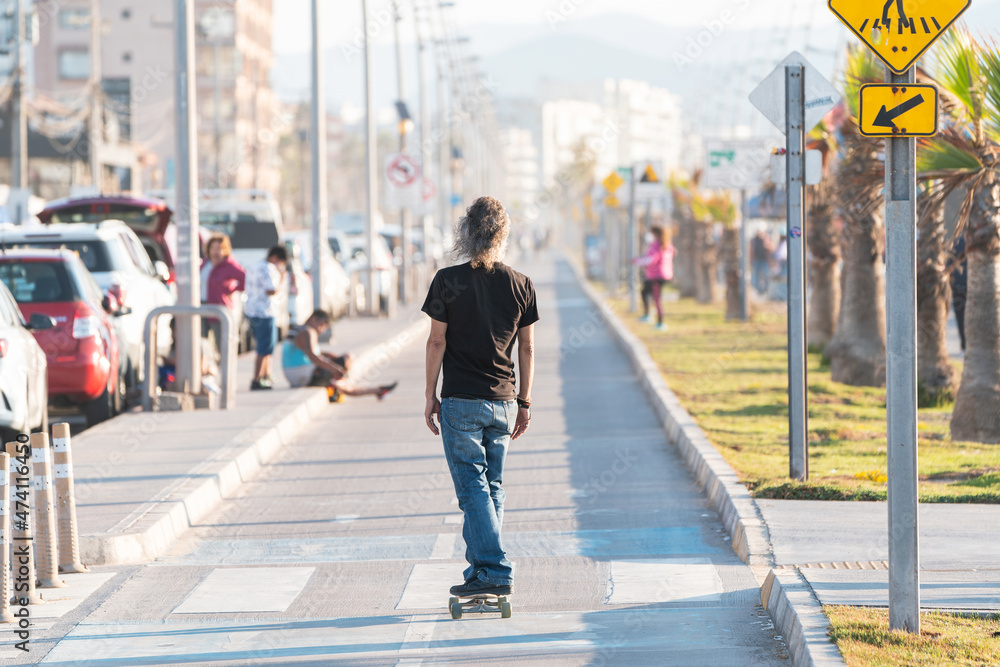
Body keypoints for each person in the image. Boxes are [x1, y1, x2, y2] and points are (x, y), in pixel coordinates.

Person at [423, 196, 537, 598]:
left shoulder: (446, 280)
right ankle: (480, 570)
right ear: (503, 234)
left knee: (472, 487)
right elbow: (526, 349)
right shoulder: (521, 283)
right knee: (492, 488)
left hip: (461, 401)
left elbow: (437, 341)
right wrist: (524, 401)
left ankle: (494, 569)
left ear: (465, 233)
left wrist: (429, 395)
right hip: (505, 402)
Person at [281, 309, 398, 400]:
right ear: (313, 320)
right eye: (322, 325)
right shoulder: (308, 332)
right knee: (347, 358)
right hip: (305, 376)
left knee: (341, 377)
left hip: (295, 377)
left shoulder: (297, 330)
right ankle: (375, 390)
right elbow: (313, 356)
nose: (322, 330)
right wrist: (334, 368)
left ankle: (378, 391)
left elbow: (306, 351)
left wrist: (328, 355)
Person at [245, 245, 287, 390]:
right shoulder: (267, 268)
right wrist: (282, 278)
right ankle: (257, 378)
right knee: (264, 347)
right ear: (276, 258)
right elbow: (272, 290)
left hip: (253, 310)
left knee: (266, 346)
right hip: (264, 312)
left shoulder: (255, 265)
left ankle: (264, 375)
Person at [200, 233, 246, 356]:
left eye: (219, 249)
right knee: (200, 344)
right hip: (202, 305)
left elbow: (246, 278)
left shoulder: (229, 265)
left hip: (219, 308)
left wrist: (232, 289)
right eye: (213, 248)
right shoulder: (205, 263)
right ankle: (205, 370)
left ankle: (226, 373)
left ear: (225, 250)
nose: (215, 252)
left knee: (222, 346)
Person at [634, 225, 674, 331]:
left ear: (655, 234)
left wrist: (638, 261)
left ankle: (660, 323)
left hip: (657, 276)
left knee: (656, 298)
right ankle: (648, 315)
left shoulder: (657, 245)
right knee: (644, 292)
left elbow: (652, 259)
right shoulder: (666, 244)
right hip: (659, 274)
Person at [949, 235, 967, 353]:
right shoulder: (981, 239)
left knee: (960, 317)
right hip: (971, 287)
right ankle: (967, 344)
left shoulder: (955, 242)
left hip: (958, 287)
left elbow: (949, 264)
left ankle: (964, 344)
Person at [751, 230, 772, 295]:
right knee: (756, 276)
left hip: (764, 260)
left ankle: (766, 289)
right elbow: (751, 250)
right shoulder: (754, 240)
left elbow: (771, 248)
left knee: (766, 274)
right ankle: (758, 290)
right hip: (757, 260)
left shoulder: (766, 238)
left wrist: (766, 241)